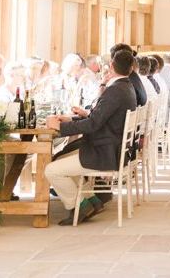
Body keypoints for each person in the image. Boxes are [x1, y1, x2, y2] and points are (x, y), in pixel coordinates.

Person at [44, 49, 137, 225]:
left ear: (111, 66)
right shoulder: (127, 87)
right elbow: (99, 118)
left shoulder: (115, 90)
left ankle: (78, 205)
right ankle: (92, 200)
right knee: (60, 158)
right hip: (112, 148)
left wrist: (60, 126)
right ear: (131, 69)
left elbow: (94, 124)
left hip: (104, 152)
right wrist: (71, 119)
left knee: (51, 170)